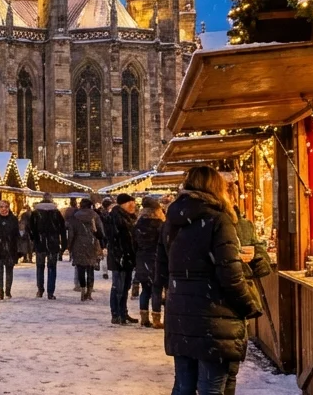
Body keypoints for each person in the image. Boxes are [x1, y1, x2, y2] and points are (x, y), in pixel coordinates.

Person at [157, 166, 263, 395]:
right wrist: (248, 306)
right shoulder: (218, 220)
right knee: (212, 388)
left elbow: (162, 270)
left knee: (183, 386)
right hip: (213, 316)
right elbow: (230, 275)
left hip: (181, 316)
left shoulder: (172, 221)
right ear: (216, 187)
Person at [133, 195, 166, 329]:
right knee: (156, 289)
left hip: (142, 259)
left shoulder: (138, 225)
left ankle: (144, 318)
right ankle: (156, 319)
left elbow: (134, 244)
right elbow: (164, 244)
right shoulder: (160, 225)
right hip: (156, 260)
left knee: (145, 289)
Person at [107, 193, 139, 325]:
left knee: (125, 287)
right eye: (129, 203)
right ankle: (116, 314)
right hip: (119, 257)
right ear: (122, 204)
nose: (132, 205)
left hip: (128, 256)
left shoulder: (130, 217)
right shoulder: (116, 216)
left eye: (133, 203)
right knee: (118, 287)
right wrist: (120, 253)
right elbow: (114, 237)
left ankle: (123, 312)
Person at [29, 193, 67, 299]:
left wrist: (35, 239)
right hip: (53, 243)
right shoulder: (56, 213)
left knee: (40, 267)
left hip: (40, 243)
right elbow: (62, 229)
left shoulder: (36, 213)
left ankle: (40, 290)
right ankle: (50, 292)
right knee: (52, 268)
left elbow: (31, 229)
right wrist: (63, 244)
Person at [68, 198, 104, 301]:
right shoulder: (95, 216)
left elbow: (71, 233)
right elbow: (101, 231)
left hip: (78, 244)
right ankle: (89, 291)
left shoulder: (75, 217)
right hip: (92, 244)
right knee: (90, 268)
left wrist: (69, 246)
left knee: (80, 268)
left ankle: (82, 289)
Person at [99, 198, 116, 280]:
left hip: (102, 235)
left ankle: (105, 272)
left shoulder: (100, 214)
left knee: (104, 255)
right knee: (108, 254)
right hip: (109, 236)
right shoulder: (111, 215)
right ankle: (110, 269)